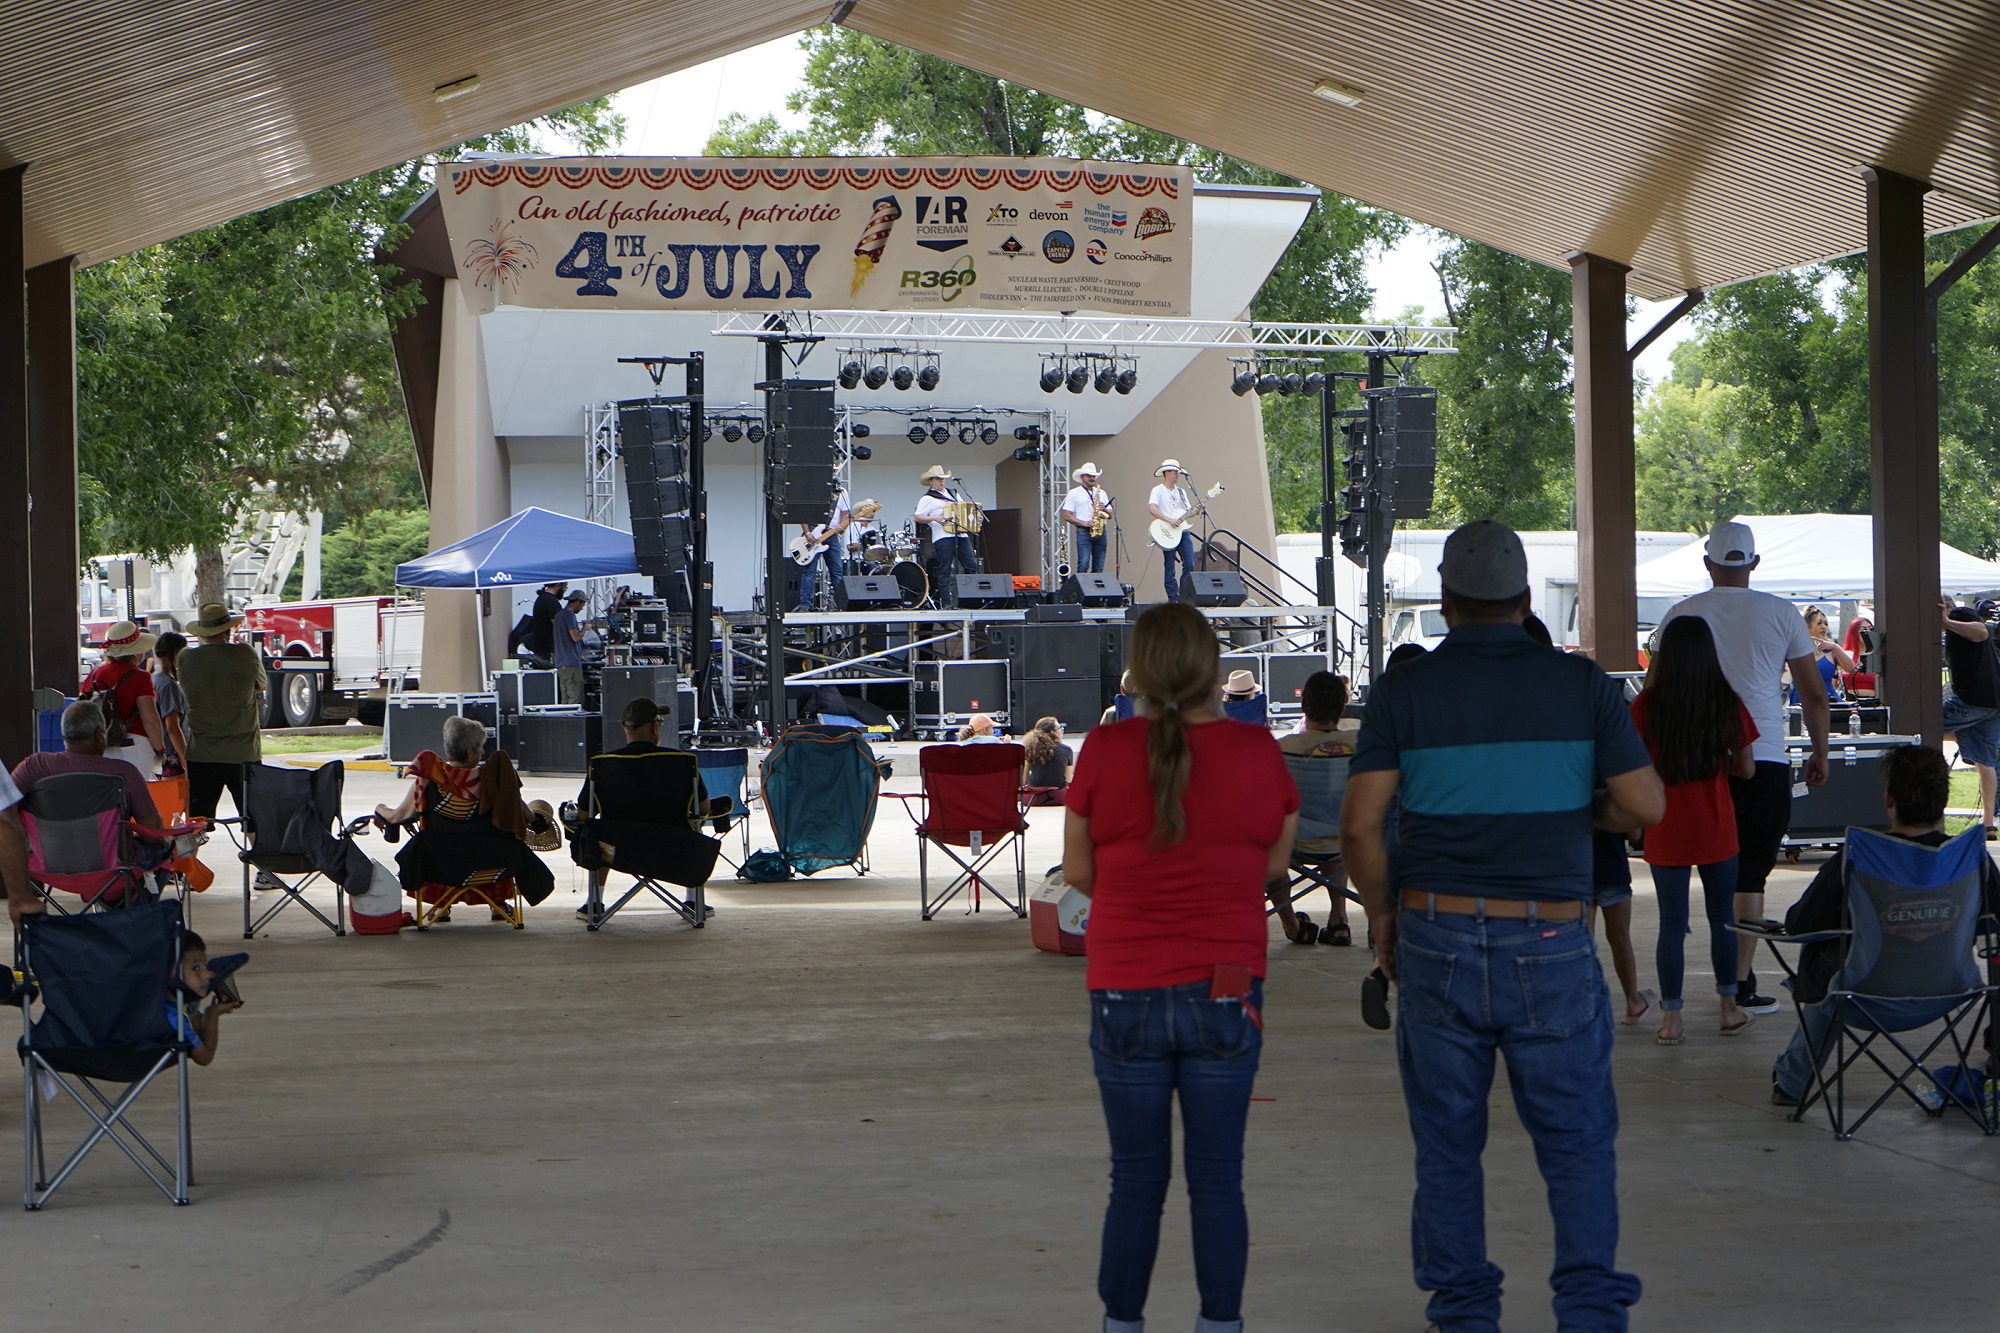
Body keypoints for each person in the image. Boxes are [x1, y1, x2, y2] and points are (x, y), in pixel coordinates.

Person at [1341, 519, 1664, 1333]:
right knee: (1577, 1144)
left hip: (1435, 932)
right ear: (1525, 601)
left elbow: (1359, 828)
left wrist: (1384, 913)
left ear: (1446, 602)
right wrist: (1577, 808)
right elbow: (1645, 806)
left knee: (1448, 1147)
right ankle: (1589, 1314)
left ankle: (1465, 1317)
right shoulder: (1584, 687)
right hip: (1551, 938)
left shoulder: (1404, 691)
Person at [1064, 602, 1299, 1333]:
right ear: (1208, 668)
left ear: (1141, 668)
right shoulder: (1259, 750)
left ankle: (1121, 1323)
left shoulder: (1102, 751)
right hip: (1226, 984)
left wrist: (1140, 893)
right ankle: (1219, 1323)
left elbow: (1077, 870)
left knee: (1134, 1178)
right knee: (1217, 1178)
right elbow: (1276, 864)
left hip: (1124, 985)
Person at [1659, 520, 1827, 1015]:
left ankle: (1684, 993)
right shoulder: (1781, 613)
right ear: (1753, 564)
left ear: (1708, 562)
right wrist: (1818, 752)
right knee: (1750, 873)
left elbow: (1657, 691)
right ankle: (1738, 985)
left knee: (1684, 872)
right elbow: (1813, 693)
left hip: (1692, 760)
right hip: (1766, 755)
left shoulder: (1680, 615)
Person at [1770, 744, 2000, 1106]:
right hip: (1949, 993)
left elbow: (1799, 924)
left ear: (1888, 798)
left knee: (1830, 962)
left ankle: (1792, 1082)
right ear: (1943, 802)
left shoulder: (1859, 857)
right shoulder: (1970, 859)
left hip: (1861, 999)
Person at [1631, 616, 1758, 1043]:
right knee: (1722, 918)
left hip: (1665, 823)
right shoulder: (1726, 701)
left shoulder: (1647, 706)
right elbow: (1747, 767)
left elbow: (1632, 765)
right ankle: (1728, 1008)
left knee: (1672, 924)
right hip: (1716, 823)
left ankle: (1672, 1020)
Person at [375, 715, 553, 922]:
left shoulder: (429, 781)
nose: (483, 752)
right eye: (480, 747)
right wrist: (535, 819)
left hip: (441, 863)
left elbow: (399, 816)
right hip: (492, 861)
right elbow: (524, 814)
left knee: (436, 842)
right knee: (497, 841)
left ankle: (441, 905)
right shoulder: (493, 780)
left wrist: (380, 809)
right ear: (470, 751)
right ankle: (498, 904)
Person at [571, 697, 730, 921]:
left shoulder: (602, 763)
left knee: (597, 831)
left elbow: (584, 815)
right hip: (672, 847)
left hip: (620, 850)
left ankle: (594, 902)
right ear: (654, 727)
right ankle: (694, 900)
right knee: (694, 826)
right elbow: (703, 809)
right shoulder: (683, 762)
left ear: (625, 727)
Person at [1275, 670, 1355, 946]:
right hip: (1348, 841)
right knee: (1337, 822)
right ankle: (1339, 919)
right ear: (1342, 708)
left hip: (1293, 844)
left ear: (1303, 706)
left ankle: (1292, 925)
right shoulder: (1362, 744)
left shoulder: (1281, 748)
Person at [176, 602, 267, 821]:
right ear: (228, 629)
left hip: (202, 753)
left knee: (196, 822)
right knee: (253, 819)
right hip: (243, 751)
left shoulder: (186, 658)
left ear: (202, 631)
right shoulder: (245, 653)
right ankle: (255, 853)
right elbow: (260, 685)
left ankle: (189, 857)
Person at [10, 701, 162, 832]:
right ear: (98, 734)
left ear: (65, 734)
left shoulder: (35, 766)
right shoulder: (125, 773)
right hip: (114, 863)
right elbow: (153, 828)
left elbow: (4, 809)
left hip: (46, 863)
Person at [1939, 595, 2000, 840]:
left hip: (1973, 700)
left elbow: (1981, 632)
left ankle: (1930, 811)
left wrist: (1945, 620)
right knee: (1986, 761)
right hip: (1992, 703)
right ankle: (1988, 824)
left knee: (1920, 727)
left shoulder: (1959, 615)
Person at [81, 620, 166, 778]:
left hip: (100, 747)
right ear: (135, 652)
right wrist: (160, 749)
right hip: (135, 747)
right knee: (135, 798)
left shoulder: (94, 675)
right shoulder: (141, 677)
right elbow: (150, 719)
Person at [173, 930, 243, 1067]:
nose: (206, 974)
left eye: (204, 965)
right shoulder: (177, 1021)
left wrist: (215, 983)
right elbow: (204, 1057)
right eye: (195, 968)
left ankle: (197, 1019)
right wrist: (212, 1014)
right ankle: (199, 1020)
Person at [913, 465, 978, 610]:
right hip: (943, 536)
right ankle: (946, 602)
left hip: (960, 533)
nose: (941, 481)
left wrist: (974, 519)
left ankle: (969, 598)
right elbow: (918, 516)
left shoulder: (954, 493)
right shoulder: (928, 498)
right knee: (945, 568)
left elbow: (964, 509)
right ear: (931, 481)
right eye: (938, 479)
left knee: (971, 565)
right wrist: (935, 517)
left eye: (942, 479)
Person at [797, 469, 854, 611]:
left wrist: (842, 527)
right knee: (809, 571)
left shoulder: (841, 492)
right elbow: (801, 513)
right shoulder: (811, 489)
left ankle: (842, 604)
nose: (834, 474)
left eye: (835, 472)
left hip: (831, 533)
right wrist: (807, 533)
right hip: (812, 531)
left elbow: (845, 514)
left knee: (837, 570)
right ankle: (805, 605)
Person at [1146, 460, 1201, 603]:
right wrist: (1168, 519)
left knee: (1190, 562)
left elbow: (1188, 512)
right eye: (1175, 472)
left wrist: (1196, 511)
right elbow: (1152, 508)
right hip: (1167, 531)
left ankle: (1184, 594)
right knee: (1169, 564)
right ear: (1167, 473)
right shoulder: (1157, 490)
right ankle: (1173, 596)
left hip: (1182, 531)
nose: (1177, 475)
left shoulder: (1181, 492)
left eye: (1178, 472)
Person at [0, 764, 41, 925]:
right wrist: (21, 899)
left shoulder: (36, 764)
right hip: (110, 870)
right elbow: (3, 820)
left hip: (44, 865)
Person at [1791, 605, 1854, 704]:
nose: (1823, 626)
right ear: (1807, 626)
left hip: (1828, 699)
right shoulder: (1797, 648)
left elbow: (1851, 669)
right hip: (1803, 699)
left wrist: (1836, 647)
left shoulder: (1830, 649)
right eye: (1819, 623)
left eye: (1825, 623)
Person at [151, 631, 190, 773]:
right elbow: (172, 727)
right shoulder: (169, 685)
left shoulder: (154, 679)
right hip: (173, 757)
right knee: (180, 796)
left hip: (159, 755)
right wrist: (185, 759)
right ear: (175, 653)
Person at [1063, 462, 1113, 575]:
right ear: (1082, 477)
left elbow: (1110, 515)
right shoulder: (1074, 493)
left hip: (1101, 531)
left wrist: (1103, 509)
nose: (1092, 478)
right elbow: (1067, 515)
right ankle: (1082, 590)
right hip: (1084, 531)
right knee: (1083, 563)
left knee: (1099, 566)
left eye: (1093, 476)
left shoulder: (1101, 493)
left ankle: (1096, 591)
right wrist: (1084, 523)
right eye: (1089, 475)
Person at [1021, 717, 1074, 803]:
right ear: (1052, 732)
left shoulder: (1029, 749)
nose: (1061, 730)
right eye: (1059, 728)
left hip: (1034, 799)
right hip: (1060, 798)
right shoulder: (1067, 750)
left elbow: (1024, 780)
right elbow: (1067, 780)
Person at [553, 589, 587, 704]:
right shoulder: (569, 615)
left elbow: (564, 640)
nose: (582, 608)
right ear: (579, 601)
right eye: (583, 605)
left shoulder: (558, 615)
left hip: (561, 663)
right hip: (571, 664)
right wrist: (585, 628)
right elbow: (576, 637)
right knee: (575, 698)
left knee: (565, 699)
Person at [525, 582, 565, 667]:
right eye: (565, 586)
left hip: (541, 649)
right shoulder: (551, 601)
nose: (565, 590)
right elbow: (560, 627)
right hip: (549, 651)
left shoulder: (541, 598)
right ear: (558, 585)